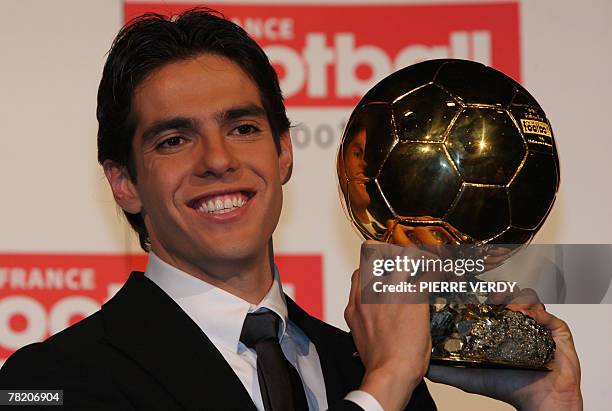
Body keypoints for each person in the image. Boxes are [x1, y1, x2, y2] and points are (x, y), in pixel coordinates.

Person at [0, 8, 582, 411]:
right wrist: (380, 393)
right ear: (124, 182)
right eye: (174, 140)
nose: (218, 160)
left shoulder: (360, 366)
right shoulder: (51, 382)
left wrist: (547, 405)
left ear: (283, 153)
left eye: (243, 127)